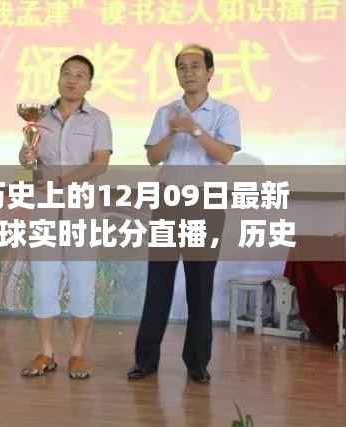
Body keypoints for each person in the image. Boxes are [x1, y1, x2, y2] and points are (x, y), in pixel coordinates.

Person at [127, 44, 241, 384]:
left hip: (206, 204)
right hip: (168, 201)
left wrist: (194, 129)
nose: (188, 72)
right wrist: (173, 131)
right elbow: (153, 157)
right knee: (158, 283)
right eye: (182, 67)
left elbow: (225, 155)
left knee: (200, 285)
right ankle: (145, 361)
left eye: (195, 66)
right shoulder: (166, 112)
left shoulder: (225, 112)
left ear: (210, 72)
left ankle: (197, 363)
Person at [19, 55, 112, 379]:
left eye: (80, 75)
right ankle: (46, 353)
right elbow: (30, 165)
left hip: (82, 212)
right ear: (58, 78)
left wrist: (61, 182)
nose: (72, 80)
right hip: (44, 211)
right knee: (43, 284)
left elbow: (100, 163)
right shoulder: (39, 117)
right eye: (67, 74)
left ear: (89, 84)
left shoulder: (98, 120)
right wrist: (26, 157)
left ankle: (78, 354)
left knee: (82, 284)